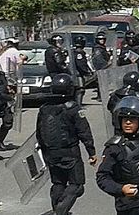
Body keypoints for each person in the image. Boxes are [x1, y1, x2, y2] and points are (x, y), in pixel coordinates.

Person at [36, 74, 97, 215]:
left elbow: (39, 132)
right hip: (69, 152)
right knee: (77, 185)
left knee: (58, 184)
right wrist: (91, 152)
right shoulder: (73, 108)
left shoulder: (44, 108)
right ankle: (59, 212)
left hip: (50, 153)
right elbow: (84, 131)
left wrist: (44, 151)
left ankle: (57, 209)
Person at [72, 35, 95, 105]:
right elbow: (80, 64)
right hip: (78, 74)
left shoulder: (75, 52)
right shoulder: (79, 53)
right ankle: (78, 104)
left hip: (76, 73)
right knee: (80, 90)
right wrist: (86, 72)